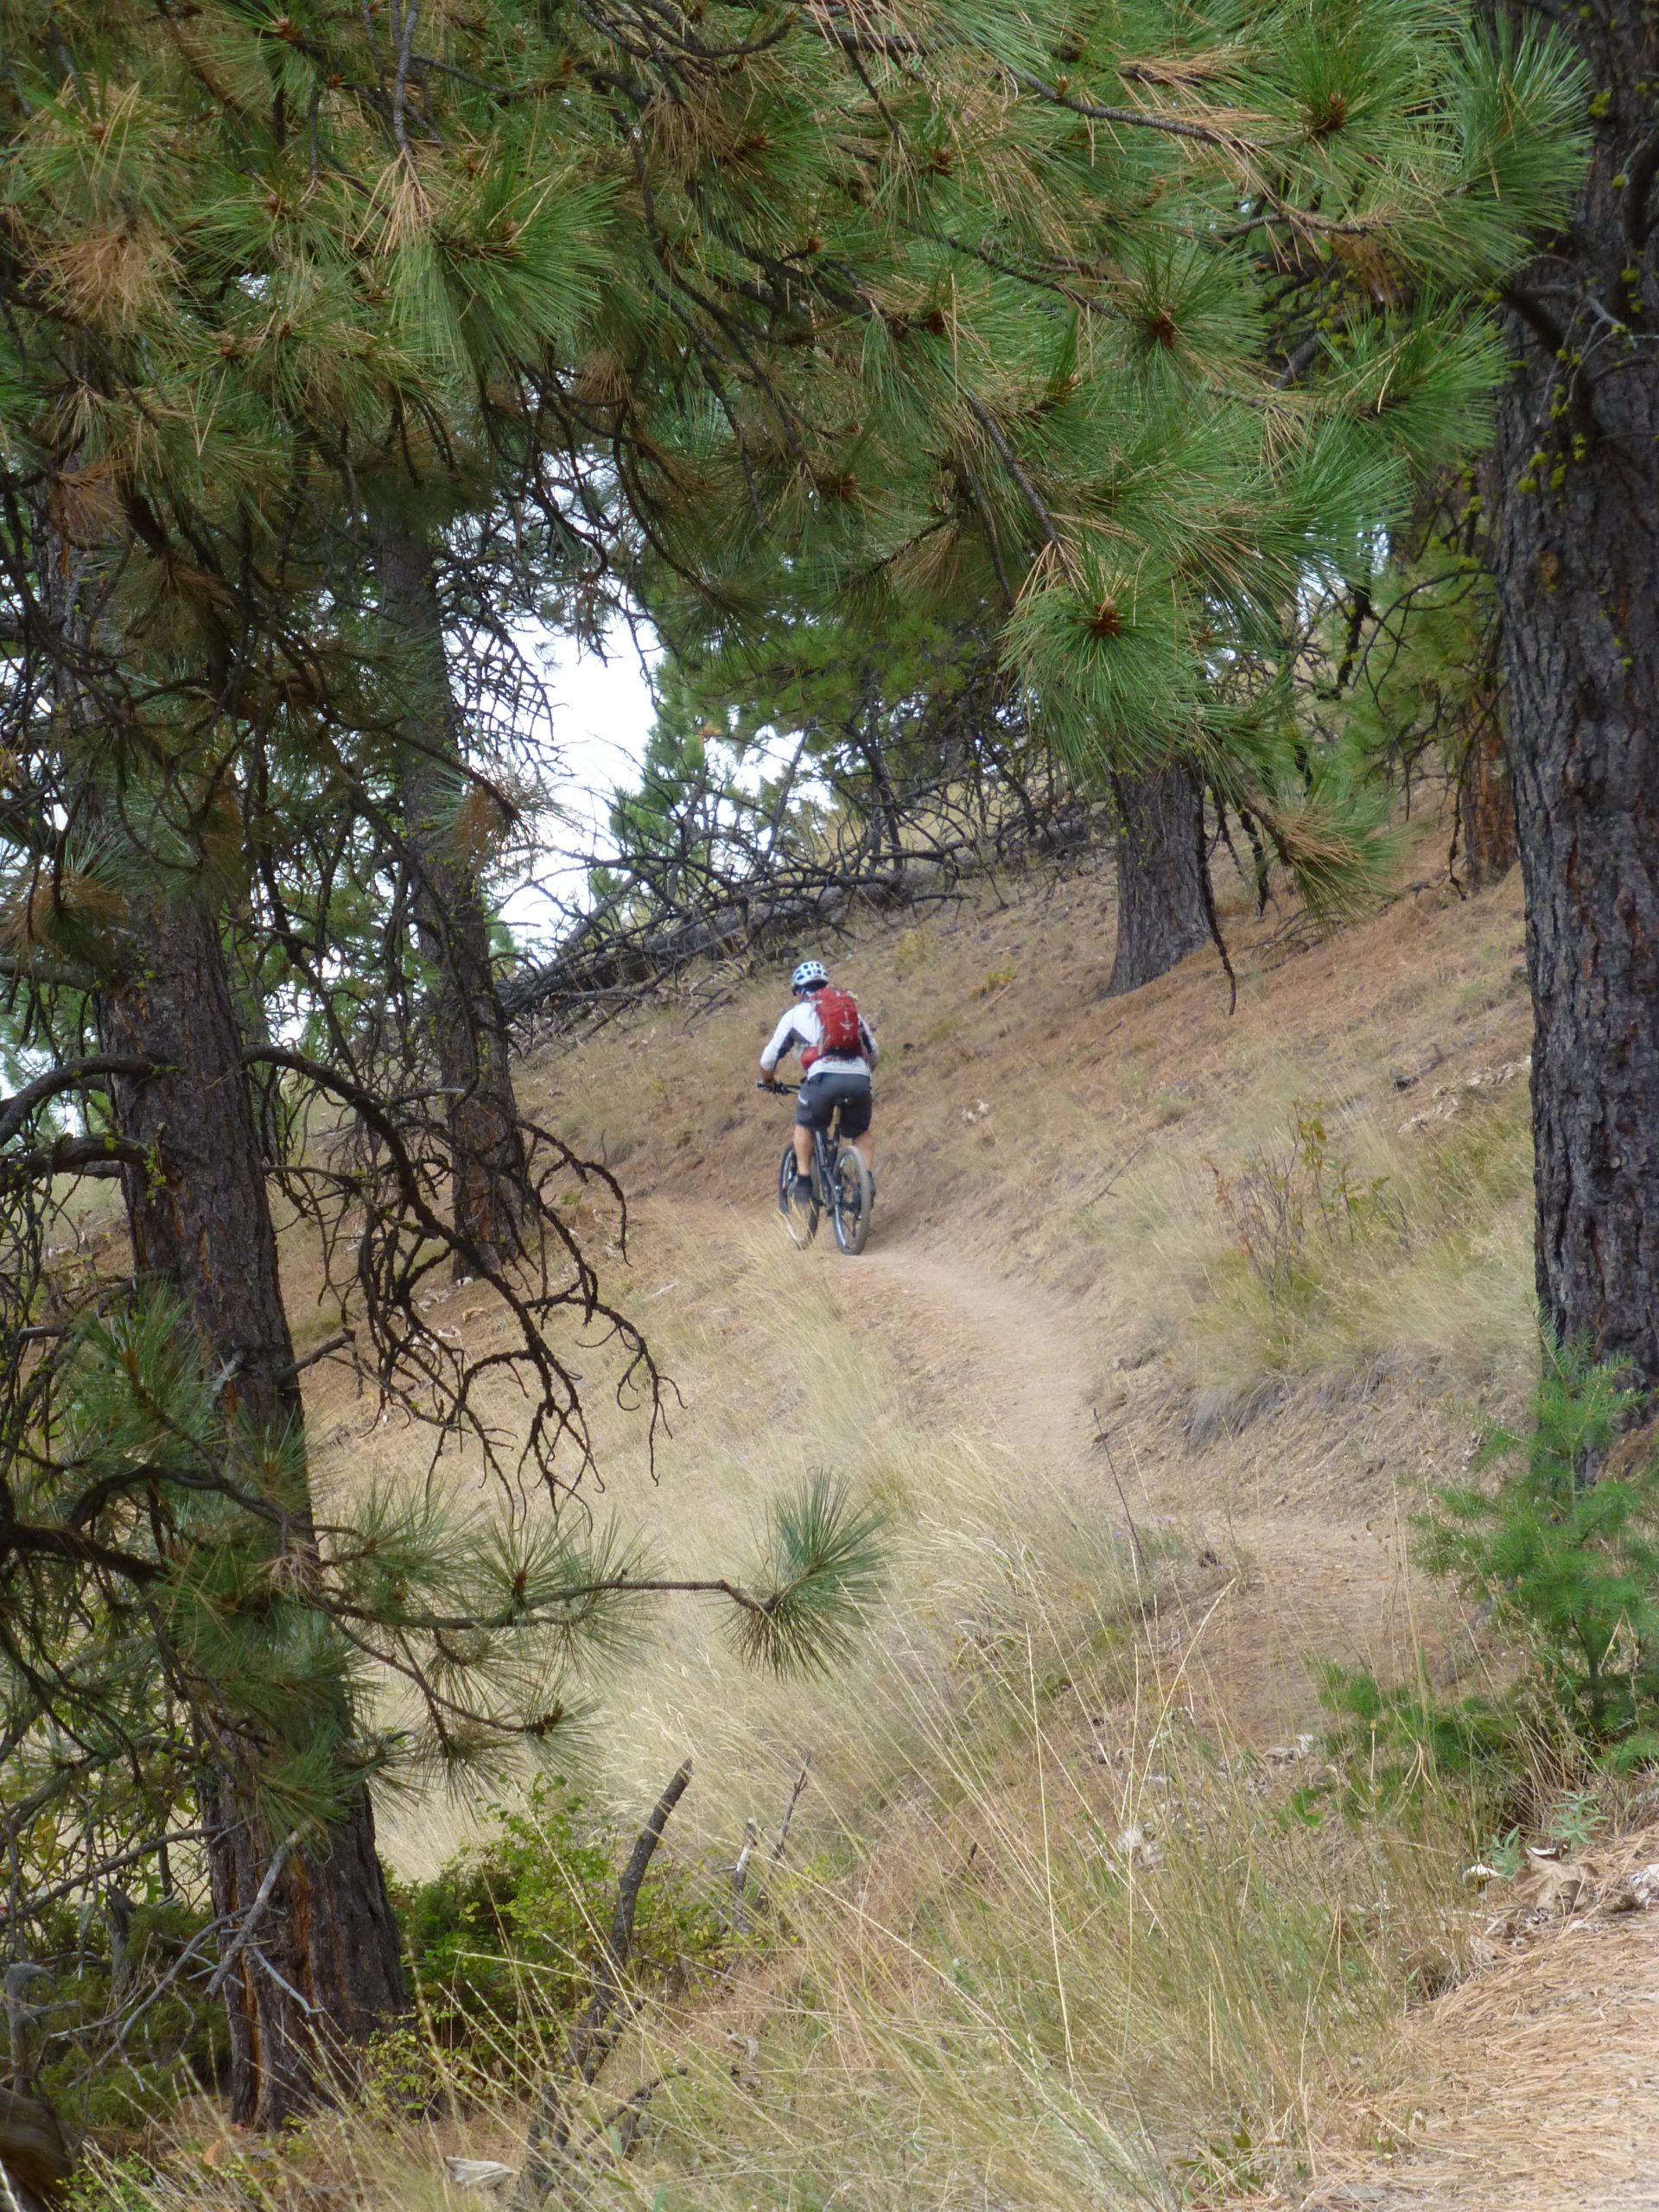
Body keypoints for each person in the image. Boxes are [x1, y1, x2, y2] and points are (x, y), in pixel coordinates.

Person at [758, 959, 877, 1207]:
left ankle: (803, 1180)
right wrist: (862, 1075)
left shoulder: (794, 1015)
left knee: (804, 1124)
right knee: (860, 1131)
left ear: (798, 991)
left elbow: (768, 1059)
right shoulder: (848, 1010)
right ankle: (866, 1182)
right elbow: (873, 1051)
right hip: (859, 1077)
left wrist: (767, 1081)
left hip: (822, 1078)